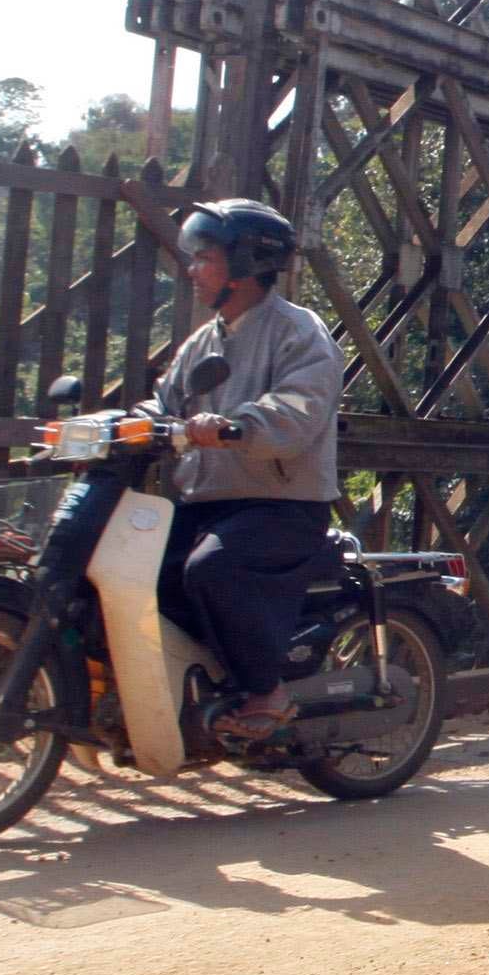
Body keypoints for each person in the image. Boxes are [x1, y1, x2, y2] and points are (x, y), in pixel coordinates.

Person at [153, 199, 343, 743]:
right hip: (210, 504)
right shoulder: (204, 340)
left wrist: (238, 425)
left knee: (210, 569)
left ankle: (267, 689)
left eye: (204, 257)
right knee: (139, 570)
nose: (191, 269)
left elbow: (299, 410)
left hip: (281, 508)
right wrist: (123, 424)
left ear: (243, 265)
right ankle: (206, 685)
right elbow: (163, 402)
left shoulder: (300, 333)